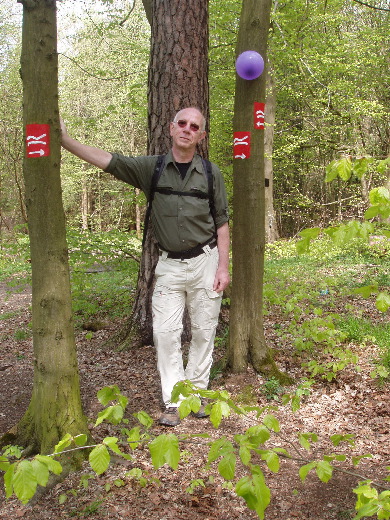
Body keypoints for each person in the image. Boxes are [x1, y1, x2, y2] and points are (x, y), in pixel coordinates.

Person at [60, 107, 230, 426]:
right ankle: (174, 401)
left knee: (204, 333)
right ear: (170, 128)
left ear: (201, 136)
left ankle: (198, 396)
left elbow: (222, 222)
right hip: (169, 265)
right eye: (181, 123)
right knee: (165, 332)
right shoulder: (150, 169)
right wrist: (66, 140)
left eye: (194, 126)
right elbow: (108, 160)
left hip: (206, 262)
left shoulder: (211, 173)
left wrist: (223, 267)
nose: (187, 129)